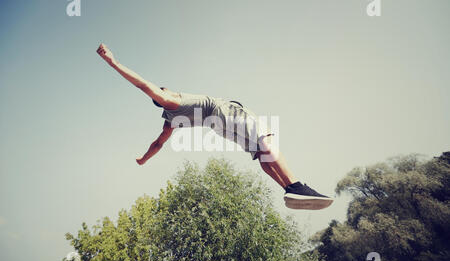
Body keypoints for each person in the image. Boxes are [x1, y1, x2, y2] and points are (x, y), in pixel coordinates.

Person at [96, 43, 333, 210]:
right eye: (162, 91)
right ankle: (296, 185)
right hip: (224, 112)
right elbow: (144, 86)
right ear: (161, 97)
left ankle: (288, 190)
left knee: (261, 153)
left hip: (219, 129)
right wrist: (113, 63)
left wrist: (144, 159)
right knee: (266, 139)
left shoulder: (169, 120)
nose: (165, 90)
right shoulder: (171, 100)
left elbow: (158, 143)